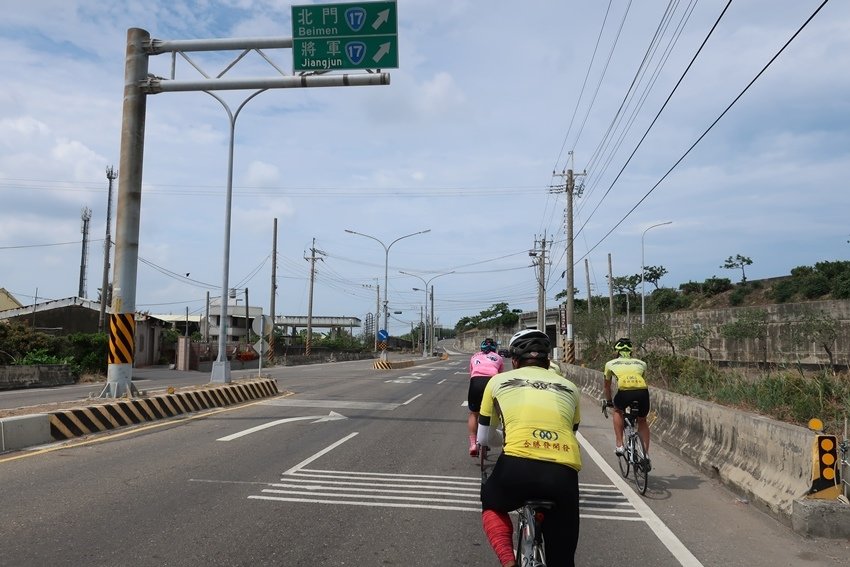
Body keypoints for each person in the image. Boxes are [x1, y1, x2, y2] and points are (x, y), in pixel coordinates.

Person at [477, 329, 582, 567]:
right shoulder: (570, 387)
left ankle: (508, 561)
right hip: (562, 474)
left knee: (491, 502)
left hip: (516, 466)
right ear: (548, 362)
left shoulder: (497, 381)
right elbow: (571, 432)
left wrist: (509, 437)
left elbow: (483, 438)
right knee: (563, 560)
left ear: (514, 361)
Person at [603, 337, 651, 466]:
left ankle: (620, 444)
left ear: (616, 351)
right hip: (642, 393)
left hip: (624, 392)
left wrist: (609, 401)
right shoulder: (641, 363)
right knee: (642, 420)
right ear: (631, 351)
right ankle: (645, 455)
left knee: (617, 411)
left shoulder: (610, 364)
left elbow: (607, 387)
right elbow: (640, 381)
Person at [467, 337, 504, 456]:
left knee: (474, 413)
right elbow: (500, 376)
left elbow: (471, 373)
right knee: (494, 411)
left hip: (476, 383)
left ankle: (473, 444)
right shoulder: (498, 358)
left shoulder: (474, 357)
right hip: (491, 382)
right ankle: (492, 433)